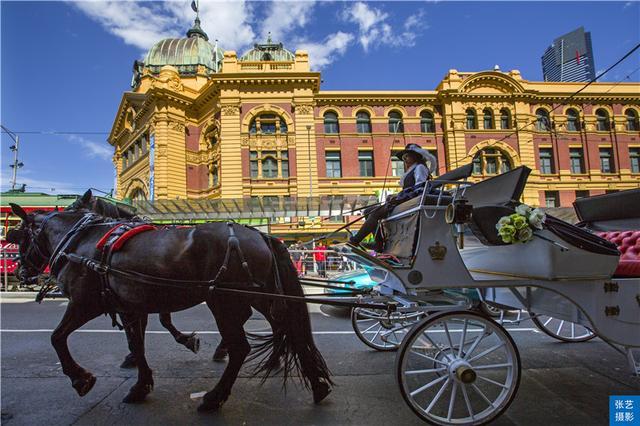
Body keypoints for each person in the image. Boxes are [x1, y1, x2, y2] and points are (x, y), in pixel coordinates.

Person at [349, 143, 437, 248]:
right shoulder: (413, 169)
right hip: (406, 200)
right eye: (404, 157)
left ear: (415, 156)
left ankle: (356, 240)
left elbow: (420, 188)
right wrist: (396, 195)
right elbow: (409, 189)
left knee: (375, 213)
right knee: (367, 211)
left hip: (411, 202)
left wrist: (399, 197)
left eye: (407, 156)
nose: (405, 159)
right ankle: (378, 243)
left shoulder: (420, 168)